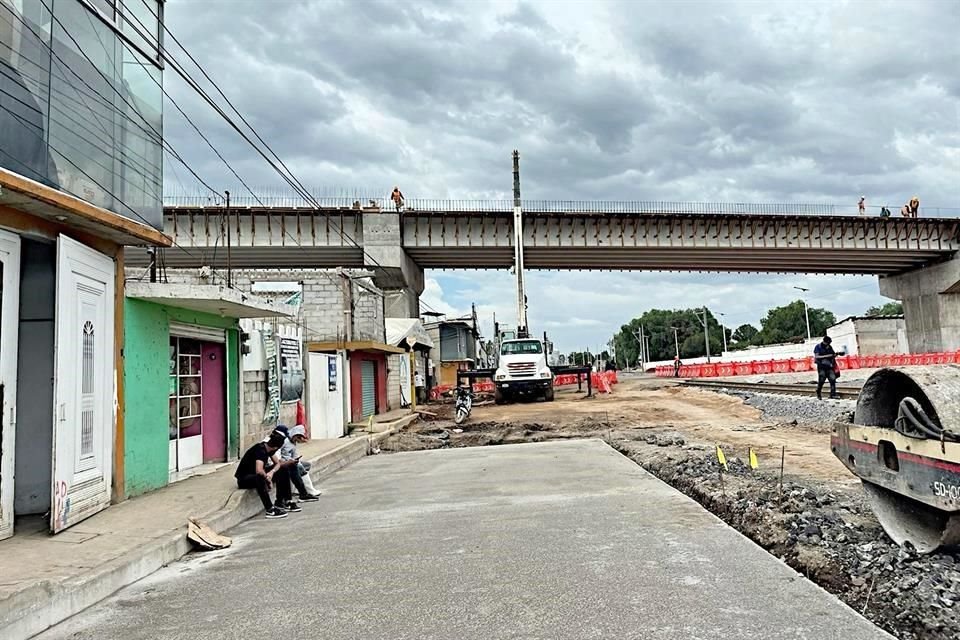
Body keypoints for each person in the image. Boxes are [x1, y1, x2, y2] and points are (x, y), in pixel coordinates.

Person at [235, 431, 298, 519]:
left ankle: (284, 501)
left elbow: (278, 464)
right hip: (244, 479)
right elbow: (259, 470)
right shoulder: (260, 450)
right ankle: (270, 509)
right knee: (260, 478)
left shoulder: (268, 448)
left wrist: (271, 472)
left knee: (283, 469)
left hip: (256, 475)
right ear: (276, 447)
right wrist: (268, 480)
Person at [270, 425, 320, 501]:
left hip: (288, 461)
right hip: (281, 462)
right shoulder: (283, 442)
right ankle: (304, 493)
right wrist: (288, 462)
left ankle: (303, 489)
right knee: (296, 468)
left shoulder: (293, 444)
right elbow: (278, 457)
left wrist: (296, 460)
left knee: (305, 465)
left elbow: (294, 454)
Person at [814, 336, 839, 400]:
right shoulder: (818, 347)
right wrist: (827, 356)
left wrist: (837, 354)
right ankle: (818, 392)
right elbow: (817, 357)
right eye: (828, 343)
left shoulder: (829, 347)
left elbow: (832, 355)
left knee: (833, 379)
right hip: (821, 366)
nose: (829, 344)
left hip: (829, 366)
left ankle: (833, 394)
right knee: (822, 380)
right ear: (825, 342)